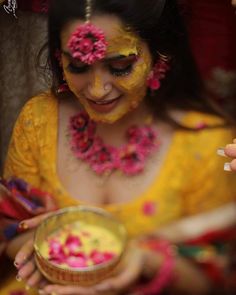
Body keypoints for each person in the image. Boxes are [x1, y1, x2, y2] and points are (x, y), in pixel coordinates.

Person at [1, 0, 236, 294]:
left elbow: (215, 278)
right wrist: (54, 253)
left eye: (121, 67)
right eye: (78, 66)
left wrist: (146, 261)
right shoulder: (39, 119)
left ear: (160, 55)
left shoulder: (205, 140)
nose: (98, 89)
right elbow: (9, 226)